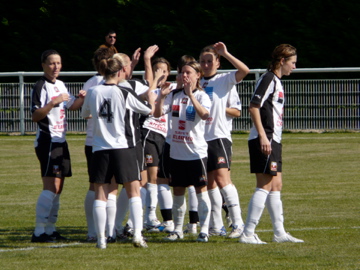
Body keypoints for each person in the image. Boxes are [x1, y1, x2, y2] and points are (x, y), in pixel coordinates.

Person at [81, 57, 156, 249]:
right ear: (120, 71)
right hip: (123, 147)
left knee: (101, 193)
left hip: (99, 148)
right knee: (134, 191)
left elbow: (84, 113)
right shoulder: (124, 92)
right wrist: (153, 98)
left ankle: (101, 240)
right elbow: (148, 110)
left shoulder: (93, 91)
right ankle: (138, 236)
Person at [240, 44, 304, 244]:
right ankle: (247, 233)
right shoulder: (268, 78)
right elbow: (253, 106)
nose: (294, 66)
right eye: (292, 62)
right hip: (265, 139)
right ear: (282, 61)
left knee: (276, 184)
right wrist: (262, 136)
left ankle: (279, 233)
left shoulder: (277, 81)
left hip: (274, 139)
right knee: (265, 185)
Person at [30, 49, 86, 242]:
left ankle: (51, 229)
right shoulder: (40, 86)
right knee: (50, 186)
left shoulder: (61, 84)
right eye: (52, 63)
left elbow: (72, 105)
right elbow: (35, 115)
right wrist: (52, 103)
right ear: (44, 65)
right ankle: (38, 232)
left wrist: (82, 98)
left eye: (59, 63)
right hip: (48, 140)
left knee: (59, 186)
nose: (56, 67)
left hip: (61, 140)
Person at [154, 61, 212, 242]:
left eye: (188, 73)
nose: (184, 76)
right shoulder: (174, 95)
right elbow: (157, 114)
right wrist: (161, 97)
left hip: (196, 153)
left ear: (197, 76)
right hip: (176, 153)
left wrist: (190, 96)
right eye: (182, 73)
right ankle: (178, 230)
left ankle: (204, 230)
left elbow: (204, 115)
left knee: (201, 190)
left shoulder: (202, 96)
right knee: (178, 191)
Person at [199, 42, 249, 238]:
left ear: (217, 63)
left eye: (210, 61)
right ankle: (216, 225)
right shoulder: (197, 82)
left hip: (218, 136)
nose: (206, 64)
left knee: (222, 179)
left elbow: (244, 70)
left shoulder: (224, 80)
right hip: (200, 139)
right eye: (202, 61)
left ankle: (238, 223)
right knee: (209, 183)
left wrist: (226, 53)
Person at [83, 47, 114, 243]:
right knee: (109, 187)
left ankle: (94, 231)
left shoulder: (91, 83)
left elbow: (84, 112)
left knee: (95, 186)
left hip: (94, 141)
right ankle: (108, 232)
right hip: (107, 141)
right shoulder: (105, 84)